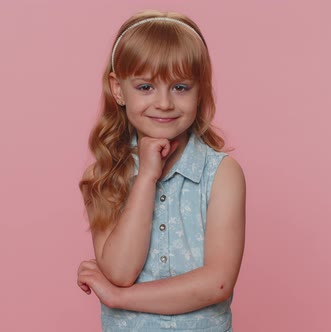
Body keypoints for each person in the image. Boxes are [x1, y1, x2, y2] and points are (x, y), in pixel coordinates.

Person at [77, 10, 246, 332]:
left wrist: (119, 297)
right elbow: (120, 271)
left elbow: (217, 283)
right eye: (145, 87)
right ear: (118, 89)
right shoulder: (105, 175)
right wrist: (146, 178)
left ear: (201, 90)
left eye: (180, 87)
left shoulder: (222, 174)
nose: (164, 103)